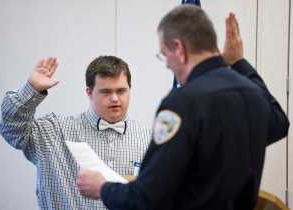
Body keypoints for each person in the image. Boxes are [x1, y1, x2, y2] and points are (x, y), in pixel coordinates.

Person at [76, 5, 290, 210]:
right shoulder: (251, 92)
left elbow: (148, 198)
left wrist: (102, 188)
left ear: (179, 49)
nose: (168, 64)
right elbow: (280, 124)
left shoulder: (182, 102)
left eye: (164, 54)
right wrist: (239, 63)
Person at [0, 55, 151, 210]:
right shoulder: (52, 131)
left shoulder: (149, 140)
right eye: (106, 92)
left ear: (130, 90)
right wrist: (31, 89)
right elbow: (11, 129)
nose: (114, 98)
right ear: (89, 93)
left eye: (121, 91)